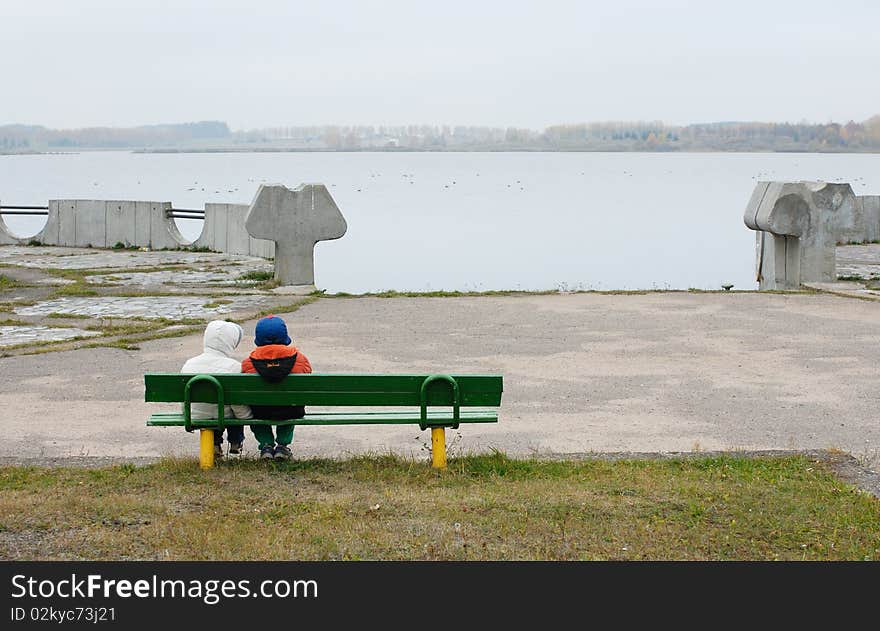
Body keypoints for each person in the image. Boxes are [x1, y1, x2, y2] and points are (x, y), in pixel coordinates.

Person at [242, 315, 312, 461]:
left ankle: (266, 445)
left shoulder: (248, 363)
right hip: (290, 410)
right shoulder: (300, 359)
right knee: (292, 403)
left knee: (255, 407)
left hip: (260, 411)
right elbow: (307, 378)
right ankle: (282, 446)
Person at [181, 320, 253, 459]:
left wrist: (186, 413)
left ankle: (214, 444)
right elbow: (237, 403)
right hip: (225, 415)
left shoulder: (189, 364)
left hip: (196, 415)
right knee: (234, 412)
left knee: (213, 410)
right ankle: (235, 444)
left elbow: (185, 395)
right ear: (230, 342)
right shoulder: (234, 367)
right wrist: (245, 417)